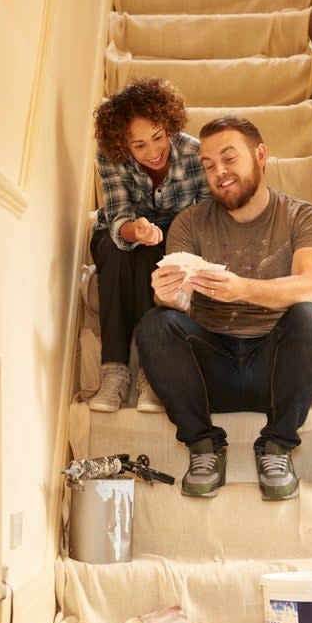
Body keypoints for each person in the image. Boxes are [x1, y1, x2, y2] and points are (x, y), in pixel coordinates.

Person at [137, 116, 312, 501]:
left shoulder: (302, 216)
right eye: (208, 166)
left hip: (277, 371)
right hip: (212, 372)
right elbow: (180, 304)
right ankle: (204, 447)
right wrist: (167, 294)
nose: (219, 173)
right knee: (155, 323)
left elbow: (310, 286)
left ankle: (277, 447)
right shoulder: (189, 222)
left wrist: (242, 289)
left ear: (260, 156)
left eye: (229, 159)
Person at [87, 77, 211, 413]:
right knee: (118, 252)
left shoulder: (195, 153)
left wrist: (167, 240)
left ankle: (150, 375)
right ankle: (114, 372)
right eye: (139, 145)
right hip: (122, 234)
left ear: (169, 124)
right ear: (122, 145)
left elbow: (203, 218)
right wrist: (136, 230)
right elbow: (117, 218)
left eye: (158, 137)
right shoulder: (108, 157)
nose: (153, 151)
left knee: (156, 258)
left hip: (175, 237)